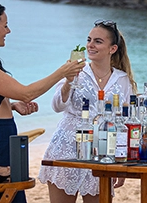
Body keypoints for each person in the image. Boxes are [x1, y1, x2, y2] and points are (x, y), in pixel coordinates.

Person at [0, 0, 84, 203]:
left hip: (2, 139)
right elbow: (26, 93)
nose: (8, 31)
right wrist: (62, 72)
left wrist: (11, 107)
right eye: (5, 25)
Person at [38, 19, 138, 203]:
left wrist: (122, 161)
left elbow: (126, 122)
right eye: (89, 39)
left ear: (112, 49)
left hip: (102, 153)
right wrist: (68, 81)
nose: (90, 45)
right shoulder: (76, 71)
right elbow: (57, 106)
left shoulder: (122, 80)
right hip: (67, 148)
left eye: (98, 41)